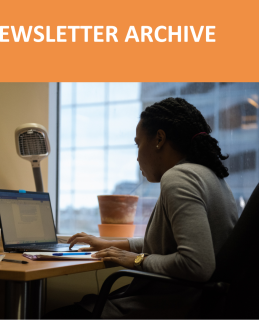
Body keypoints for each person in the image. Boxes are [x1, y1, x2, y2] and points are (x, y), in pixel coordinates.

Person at [45, 97, 238, 319]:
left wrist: (135, 260)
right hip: (191, 304)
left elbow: (196, 265)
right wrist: (111, 244)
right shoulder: (210, 176)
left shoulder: (179, 177)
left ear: (159, 139)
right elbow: (166, 244)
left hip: (168, 307)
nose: (137, 157)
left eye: (138, 144)